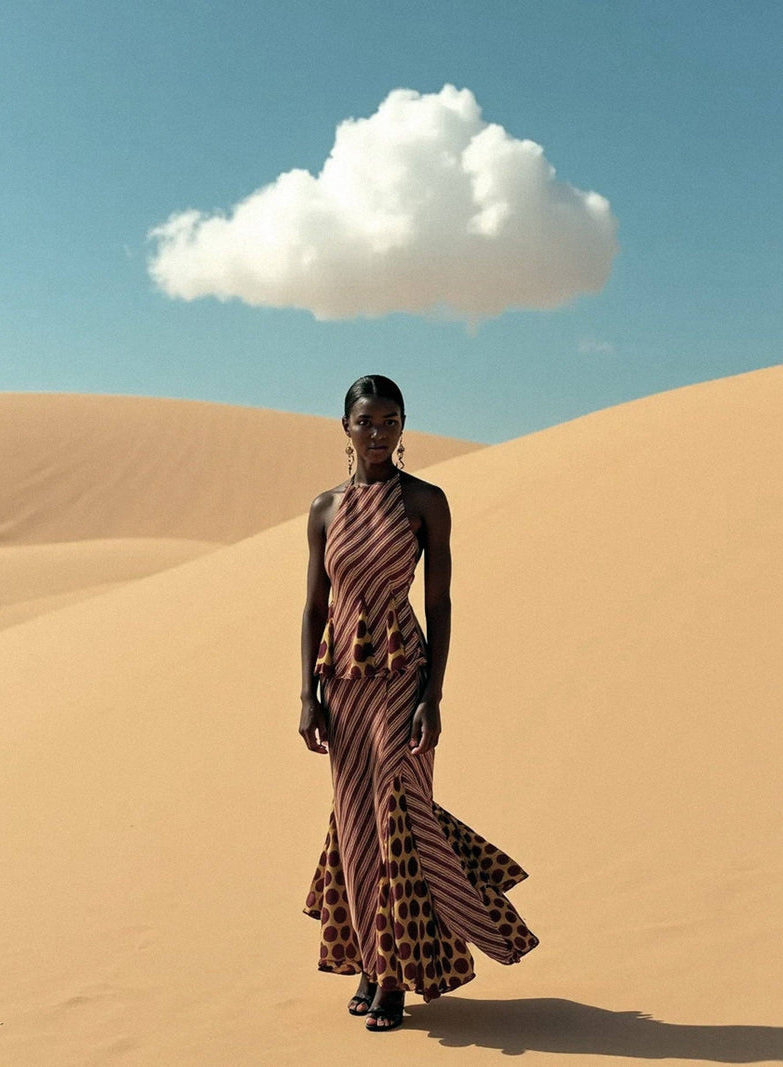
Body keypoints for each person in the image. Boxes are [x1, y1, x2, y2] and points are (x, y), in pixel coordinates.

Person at [300, 375, 538, 1032]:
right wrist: (306, 692)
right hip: (343, 679)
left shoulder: (425, 501)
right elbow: (315, 606)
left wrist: (435, 696)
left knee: (397, 813)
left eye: (391, 421)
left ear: (404, 426)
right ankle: (367, 961)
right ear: (344, 426)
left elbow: (439, 603)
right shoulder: (324, 508)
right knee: (354, 822)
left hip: (404, 674)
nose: (379, 433)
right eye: (366, 421)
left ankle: (396, 975)